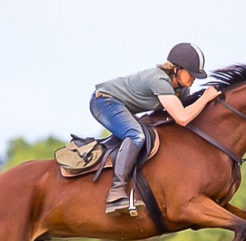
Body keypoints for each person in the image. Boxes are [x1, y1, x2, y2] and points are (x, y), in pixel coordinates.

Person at [90, 43, 222, 216]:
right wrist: (205, 98)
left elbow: (186, 116)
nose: (194, 78)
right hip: (104, 101)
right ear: (177, 69)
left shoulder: (181, 89)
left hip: (121, 105)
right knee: (137, 136)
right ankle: (116, 193)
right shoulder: (160, 81)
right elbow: (182, 118)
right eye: (192, 73)